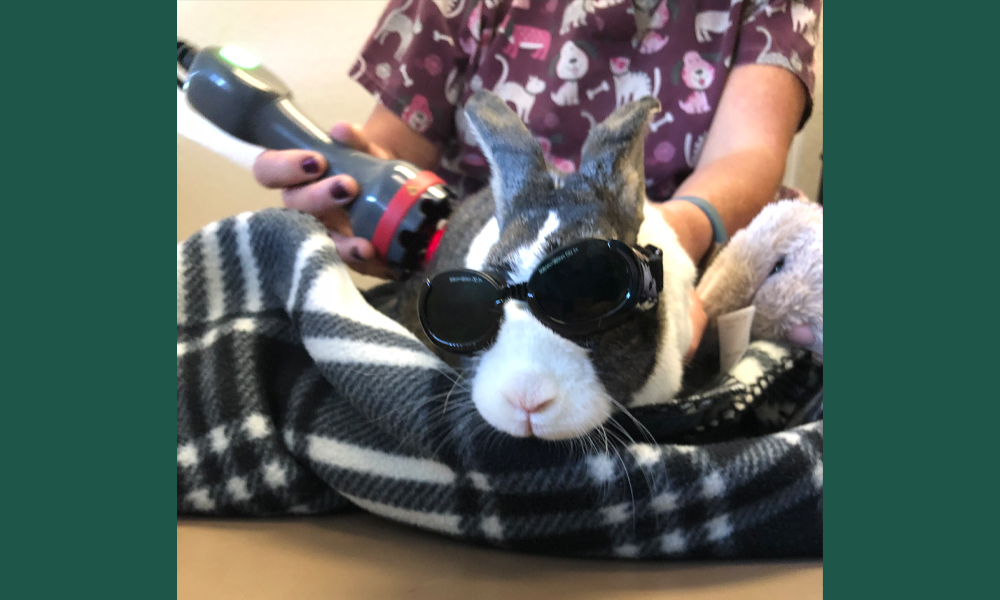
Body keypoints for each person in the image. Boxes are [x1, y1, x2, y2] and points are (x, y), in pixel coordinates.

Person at [251, 0, 822, 353]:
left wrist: (664, 247)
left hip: (678, 279)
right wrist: (351, 192)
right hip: (484, 293)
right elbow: (390, 150)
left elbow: (746, 156)